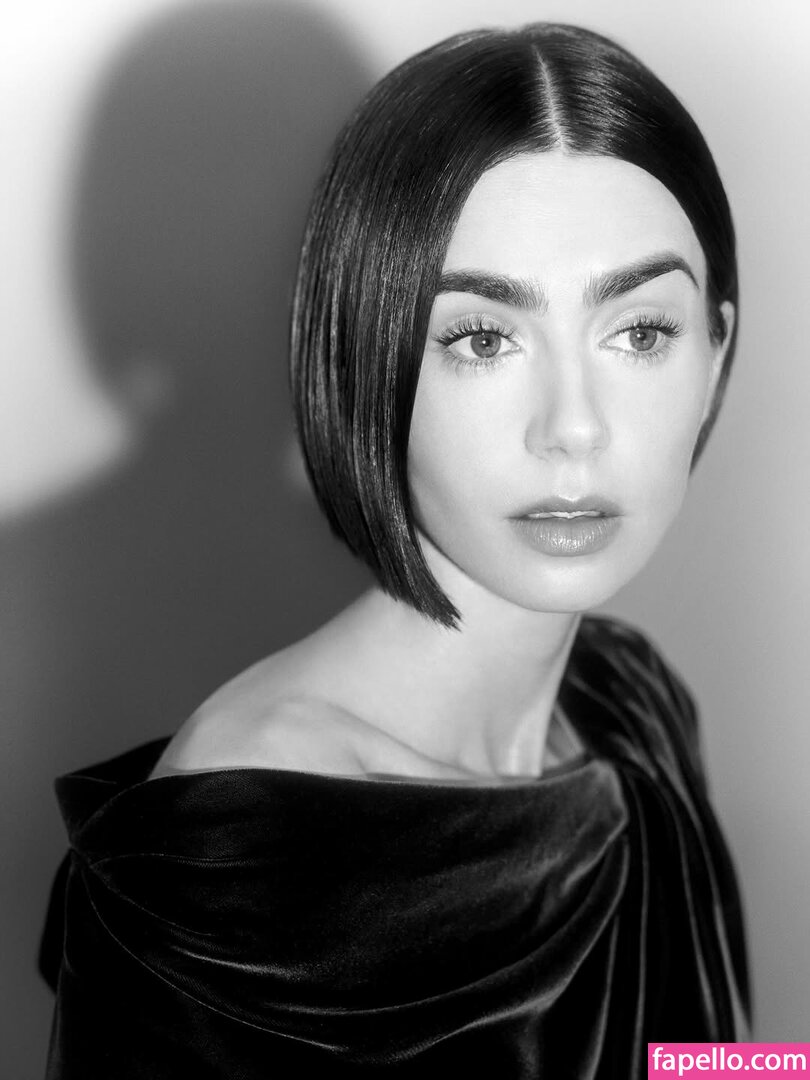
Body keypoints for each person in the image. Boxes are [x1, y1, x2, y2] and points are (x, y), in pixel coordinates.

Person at [40, 21, 750, 1078]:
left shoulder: (634, 707)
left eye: (640, 332)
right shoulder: (240, 866)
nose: (574, 428)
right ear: (367, 361)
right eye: (483, 338)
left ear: (714, 357)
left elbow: (713, 1062)